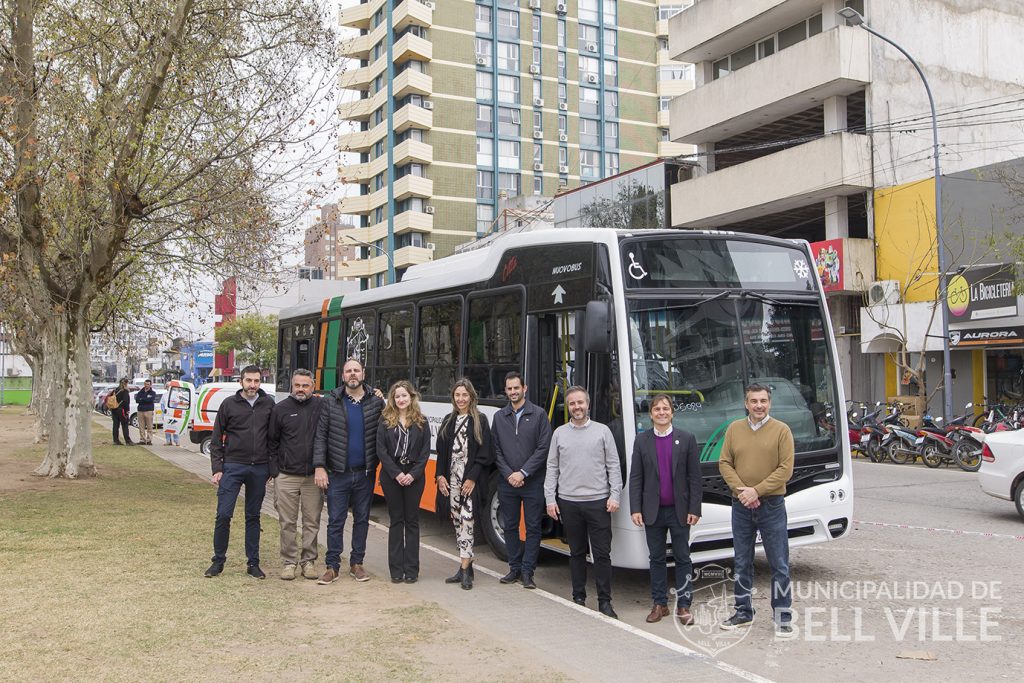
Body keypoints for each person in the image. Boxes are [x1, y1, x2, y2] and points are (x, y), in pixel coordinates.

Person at [719, 383, 795, 634]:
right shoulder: (734, 429)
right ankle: (743, 611)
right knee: (741, 561)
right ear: (746, 403)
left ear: (769, 403)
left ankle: (782, 615)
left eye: (763, 401)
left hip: (771, 505)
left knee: (779, 563)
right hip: (741, 506)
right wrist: (743, 491)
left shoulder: (782, 431)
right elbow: (725, 463)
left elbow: (785, 469)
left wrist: (756, 491)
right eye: (754, 401)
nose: (758, 406)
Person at [544, 386, 622, 618]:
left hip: (598, 502)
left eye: (580, 403)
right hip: (569, 503)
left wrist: (615, 494)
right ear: (567, 407)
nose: (577, 407)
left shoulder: (603, 432)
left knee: (602, 554)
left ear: (588, 404)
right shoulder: (559, 433)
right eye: (572, 404)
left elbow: (613, 466)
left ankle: (605, 601)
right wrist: (550, 499)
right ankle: (578, 596)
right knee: (576, 552)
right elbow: (552, 467)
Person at [628, 394, 702, 625]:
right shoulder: (642, 441)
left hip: (680, 511)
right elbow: (636, 477)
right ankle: (660, 604)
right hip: (653, 511)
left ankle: (684, 605)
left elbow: (694, 478)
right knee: (656, 559)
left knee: (683, 558)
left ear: (672, 412)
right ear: (650, 414)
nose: (661, 412)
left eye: (666, 408)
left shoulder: (687, 439)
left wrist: (695, 508)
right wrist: (635, 508)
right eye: (657, 409)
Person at [312, 358, 384, 585]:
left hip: (365, 473)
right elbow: (320, 436)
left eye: (356, 370)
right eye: (348, 371)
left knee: (362, 520)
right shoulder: (331, 401)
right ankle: (332, 566)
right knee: (336, 520)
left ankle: (356, 564)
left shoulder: (376, 402)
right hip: (337, 473)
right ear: (343, 376)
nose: (353, 374)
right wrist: (319, 466)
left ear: (363, 373)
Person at [204, 365, 277, 579]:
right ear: (241, 381)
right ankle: (218, 561)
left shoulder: (269, 405)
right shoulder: (228, 405)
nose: (252, 385)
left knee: (253, 516)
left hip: (259, 469)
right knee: (223, 514)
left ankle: (253, 563)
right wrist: (218, 468)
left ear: (260, 382)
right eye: (248, 381)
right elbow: (216, 439)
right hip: (233, 467)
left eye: (256, 381)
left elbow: (274, 439)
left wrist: (271, 468)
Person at [492, 371, 552, 589]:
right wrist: (509, 473)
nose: (513, 392)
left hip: (532, 482)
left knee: (533, 527)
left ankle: (528, 572)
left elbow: (543, 448)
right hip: (507, 482)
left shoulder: (539, 415)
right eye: (509, 389)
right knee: (510, 526)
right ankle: (514, 568)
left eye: (516, 388)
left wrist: (524, 472)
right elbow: (496, 449)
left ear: (524, 388)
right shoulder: (500, 417)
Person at [435, 378, 493, 590]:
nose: (461, 399)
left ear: (471, 397)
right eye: (457, 395)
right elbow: (441, 452)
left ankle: (465, 570)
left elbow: (486, 454)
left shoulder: (480, 420)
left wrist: (472, 478)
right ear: (453, 397)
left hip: (470, 480)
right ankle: (465, 567)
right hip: (451, 480)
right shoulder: (448, 421)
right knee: (458, 522)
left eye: (465, 395)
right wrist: (439, 476)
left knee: (468, 521)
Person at [268, 369, 324, 581]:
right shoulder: (280, 409)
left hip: (313, 477)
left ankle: (308, 561)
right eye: (297, 385)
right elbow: (272, 442)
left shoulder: (322, 406)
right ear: (292, 385)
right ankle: (289, 562)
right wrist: (275, 472)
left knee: (312, 521)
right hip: (286, 476)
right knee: (287, 522)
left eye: (305, 385)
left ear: (313, 386)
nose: (301, 389)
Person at [376, 381, 431, 583]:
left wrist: (413, 474)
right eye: (397, 396)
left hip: (414, 476)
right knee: (396, 520)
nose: (401, 399)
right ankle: (396, 570)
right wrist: (396, 474)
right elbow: (381, 450)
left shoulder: (422, 422)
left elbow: (425, 453)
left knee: (412, 521)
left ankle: (412, 570)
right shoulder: (384, 420)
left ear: (412, 397)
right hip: (392, 476)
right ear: (393, 399)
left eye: (404, 396)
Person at [111, 379, 134, 446]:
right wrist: (127, 410)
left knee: (115, 425)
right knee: (125, 425)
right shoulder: (125, 391)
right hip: (122, 410)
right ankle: (128, 441)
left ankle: (115, 440)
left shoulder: (115, 390)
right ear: (126, 384)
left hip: (114, 409)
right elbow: (125, 401)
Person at [134, 380, 157, 445]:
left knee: (149, 426)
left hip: (148, 411)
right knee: (141, 426)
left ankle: (149, 440)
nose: (146, 385)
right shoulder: (140, 392)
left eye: (148, 384)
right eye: (145, 384)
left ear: (150, 385)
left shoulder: (152, 393)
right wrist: (144, 399)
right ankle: (142, 440)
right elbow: (137, 400)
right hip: (140, 411)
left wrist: (142, 399)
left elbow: (150, 400)